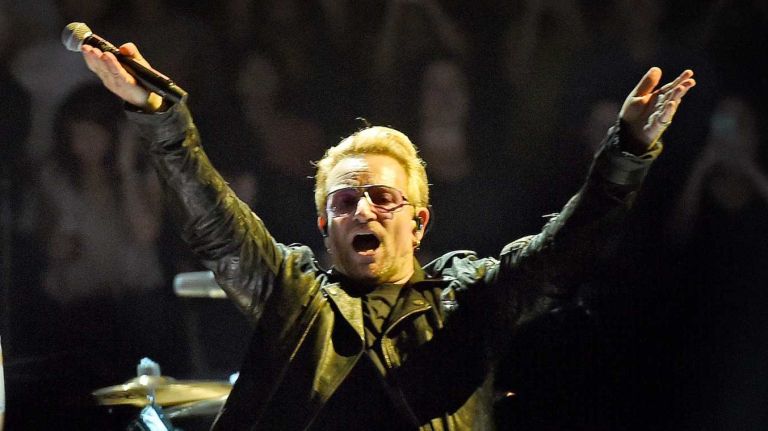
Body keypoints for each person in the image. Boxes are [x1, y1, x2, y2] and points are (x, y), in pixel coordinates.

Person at [78, 39, 694, 429]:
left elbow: (562, 256)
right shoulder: (294, 293)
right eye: (345, 201)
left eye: (381, 197)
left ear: (418, 221)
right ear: (324, 226)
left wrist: (629, 150)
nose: (363, 211)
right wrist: (161, 116)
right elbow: (213, 222)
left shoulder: (467, 297)